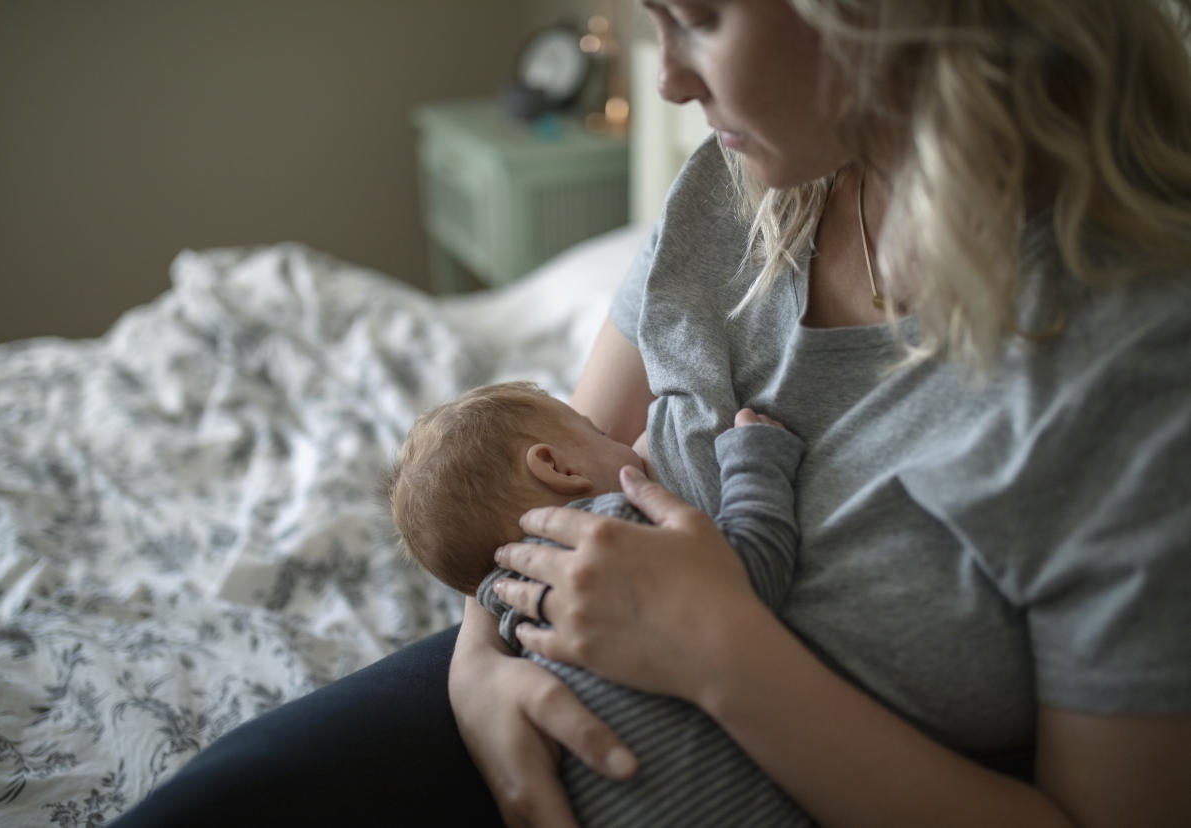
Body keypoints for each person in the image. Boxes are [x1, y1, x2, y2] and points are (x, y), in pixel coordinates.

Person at [114, 2, 1191, 826]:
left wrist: (722, 655)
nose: (667, 76)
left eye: (703, 17)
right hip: (557, 689)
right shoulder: (738, 186)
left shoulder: (1138, 376)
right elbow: (549, 498)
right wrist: (478, 671)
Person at [389, 379, 808, 827]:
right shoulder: (609, 536)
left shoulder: (514, 625)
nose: (629, 444)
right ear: (557, 467)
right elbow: (749, 582)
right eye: (602, 436)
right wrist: (757, 461)